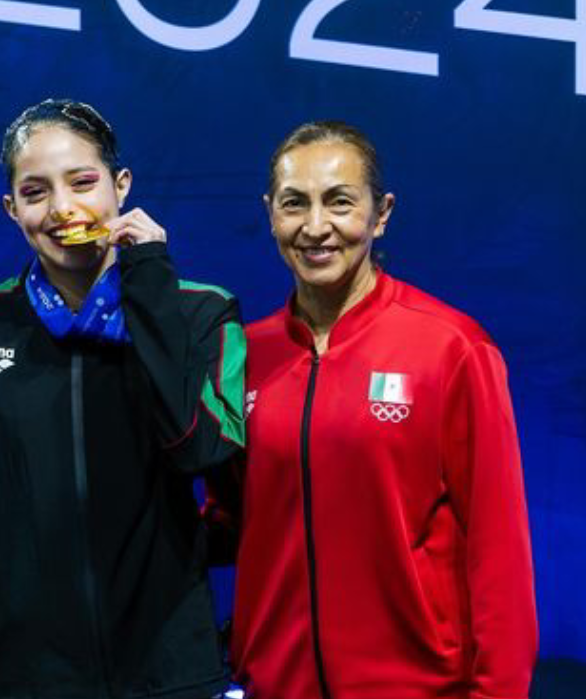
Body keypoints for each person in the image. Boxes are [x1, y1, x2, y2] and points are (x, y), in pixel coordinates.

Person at [0, 99, 245, 699]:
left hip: (164, 670)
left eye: (83, 183)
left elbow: (198, 447)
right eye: (35, 192)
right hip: (11, 674)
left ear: (121, 185)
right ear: (11, 208)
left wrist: (151, 291)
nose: (63, 209)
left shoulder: (198, 310)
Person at [230, 121, 538, 698]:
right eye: (295, 204)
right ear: (271, 213)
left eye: (340, 202)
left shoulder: (451, 348)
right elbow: (231, 523)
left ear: (381, 213)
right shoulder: (245, 354)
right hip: (276, 687)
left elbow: (500, 553)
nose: (316, 227)